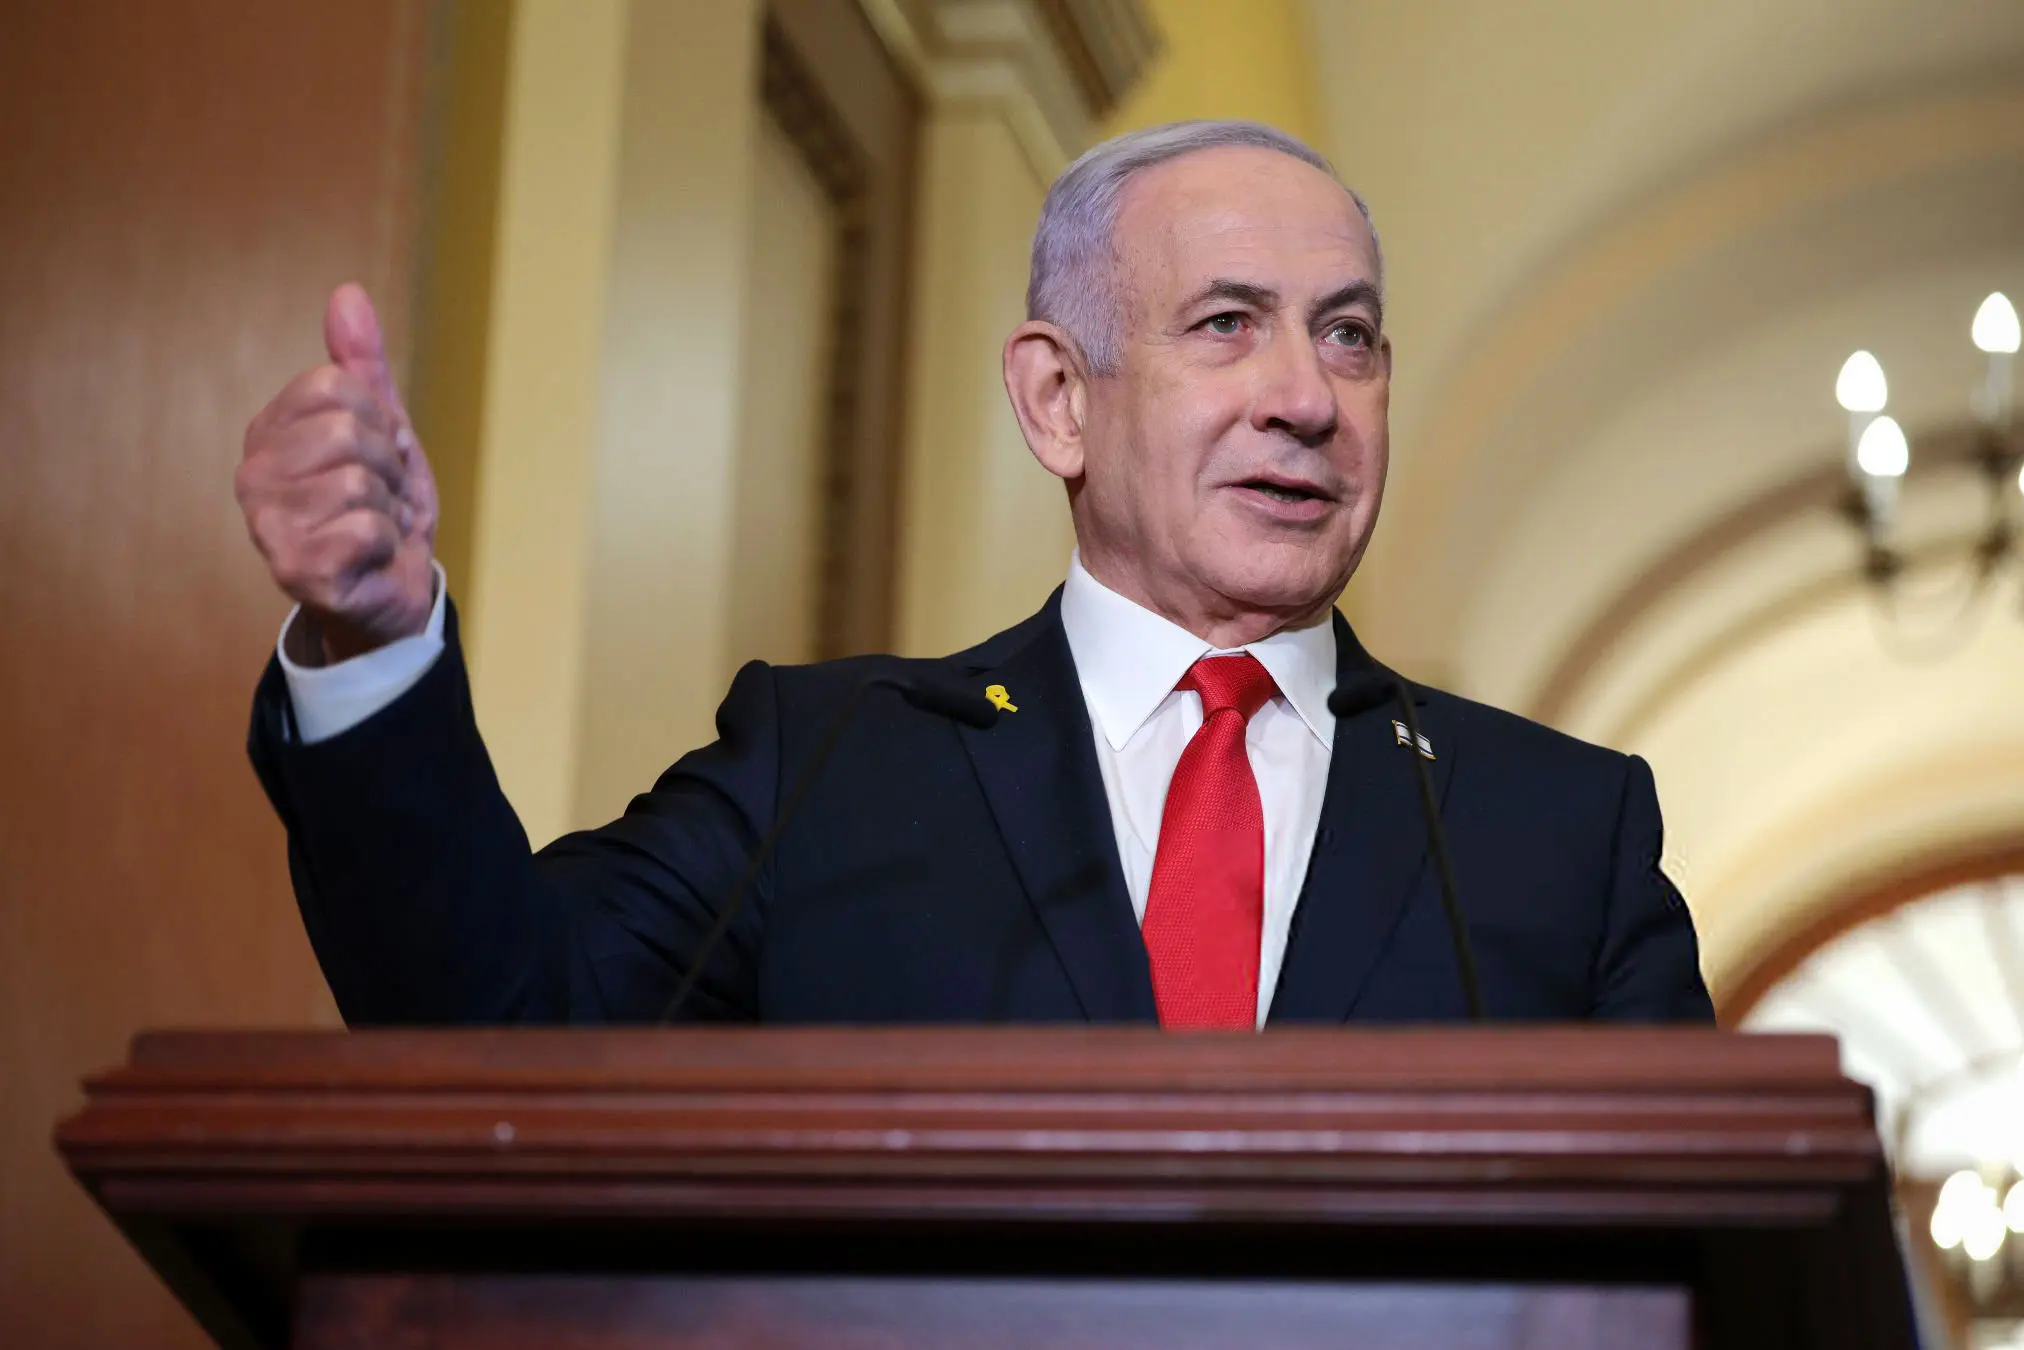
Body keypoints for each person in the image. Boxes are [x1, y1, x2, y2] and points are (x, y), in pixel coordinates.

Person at [236, 120, 1712, 1027]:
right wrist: (372, 645)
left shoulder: (1557, 834)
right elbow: (501, 1025)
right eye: (1226, 324)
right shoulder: (825, 770)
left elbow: (1708, 1264)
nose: (1307, 397)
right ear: (1058, 400)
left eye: (1348, 334)